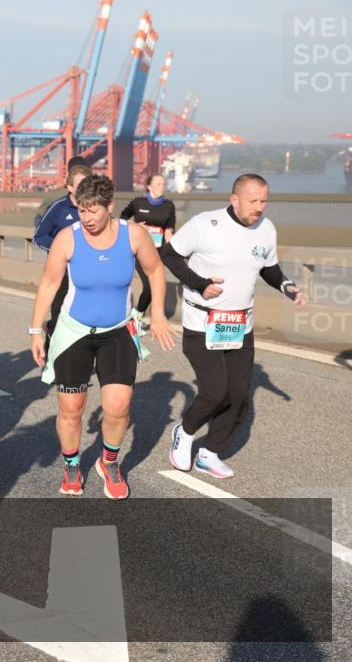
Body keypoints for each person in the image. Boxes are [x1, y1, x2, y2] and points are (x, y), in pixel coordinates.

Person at [30, 175, 176, 499]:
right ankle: (71, 465)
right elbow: (49, 284)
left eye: (93, 210)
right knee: (72, 408)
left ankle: (109, 463)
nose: (86, 218)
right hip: (74, 332)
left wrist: (158, 314)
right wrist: (36, 330)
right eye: (82, 210)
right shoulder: (67, 238)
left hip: (117, 331)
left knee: (118, 405)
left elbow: (155, 270)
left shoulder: (133, 234)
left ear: (110, 206)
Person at [163, 174, 307, 478]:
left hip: (240, 323)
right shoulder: (205, 224)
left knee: (239, 395)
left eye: (264, 201)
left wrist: (287, 286)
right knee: (215, 390)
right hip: (203, 321)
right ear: (234, 199)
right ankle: (185, 432)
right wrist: (199, 283)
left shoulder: (266, 228)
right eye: (253, 201)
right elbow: (170, 254)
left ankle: (210, 452)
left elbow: (269, 268)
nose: (259, 207)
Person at [32, 165, 92, 343]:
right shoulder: (58, 208)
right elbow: (39, 237)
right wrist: (61, 248)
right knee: (59, 321)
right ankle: (52, 354)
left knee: (85, 323)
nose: (84, 189)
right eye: (80, 185)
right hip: (62, 275)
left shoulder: (95, 209)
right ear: (70, 187)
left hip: (88, 275)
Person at [120, 173, 176, 315]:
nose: (162, 187)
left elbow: (170, 226)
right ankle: (137, 316)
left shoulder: (169, 205)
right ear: (149, 187)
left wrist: (169, 233)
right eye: (158, 184)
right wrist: (136, 226)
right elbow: (123, 218)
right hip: (140, 250)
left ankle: (137, 315)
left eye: (163, 184)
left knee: (154, 286)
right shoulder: (138, 202)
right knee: (149, 285)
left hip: (158, 251)